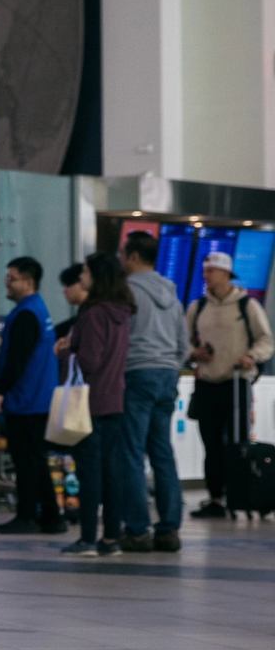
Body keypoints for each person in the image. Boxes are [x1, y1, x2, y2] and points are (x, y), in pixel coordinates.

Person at [185, 250, 273, 519]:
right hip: (207, 383)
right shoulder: (197, 307)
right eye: (205, 271)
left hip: (236, 385)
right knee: (210, 444)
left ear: (225, 274)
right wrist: (194, 355)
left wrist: (252, 357)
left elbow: (266, 340)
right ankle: (215, 498)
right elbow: (183, 341)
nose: (207, 276)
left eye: (211, 271)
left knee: (236, 443)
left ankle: (240, 494)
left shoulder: (247, 306)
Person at [56, 251, 133, 557]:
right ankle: (111, 537)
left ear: (97, 277)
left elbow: (89, 360)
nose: (82, 276)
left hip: (89, 403)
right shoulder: (122, 311)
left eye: (86, 272)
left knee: (90, 474)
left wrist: (65, 350)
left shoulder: (93, 314)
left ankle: (87, 537)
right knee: (112, 473)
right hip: (115, 399)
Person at [116, 233, 185, 551]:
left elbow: (120, 340)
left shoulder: (126, 292)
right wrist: (169, 365)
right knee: (162, 452)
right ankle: (169, 529)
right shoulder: (174, 296)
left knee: (131, 453)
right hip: (167, 376)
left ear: (132, 257)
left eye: (121, 254)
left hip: (138, 374)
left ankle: (138, 530)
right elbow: (184, 345)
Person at [0, 257, 64, 535]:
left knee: (26, 461)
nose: (7, 284)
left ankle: (26, 515)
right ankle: (52, 516)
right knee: (36, 459)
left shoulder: (25, 315)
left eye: (12, 278)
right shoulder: (39, 310)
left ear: (28, 281)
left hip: (25, 400)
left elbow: (16, 360)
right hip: (38, 397)